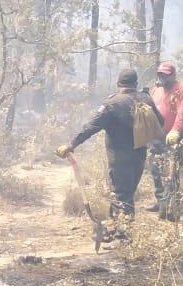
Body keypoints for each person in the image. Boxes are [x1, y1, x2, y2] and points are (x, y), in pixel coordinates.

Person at [56, 69, 163, 223]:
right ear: (136, 83)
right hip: (139, 157)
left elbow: (91, 127)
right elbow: (161, 122)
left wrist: (72, 144)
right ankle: (115, 228)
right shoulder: (146, 98)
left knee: (121, 196)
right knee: (127, 193)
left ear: (118, 83)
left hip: (120, 159)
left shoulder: (112, 103)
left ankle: (122, 235)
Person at [145, 60, 183, 215]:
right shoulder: (155, 90)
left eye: (165, 75)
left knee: (173, 171)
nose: (162, 78)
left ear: (173, 75)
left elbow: (181, 111)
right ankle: (160, 200)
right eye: (160, 74)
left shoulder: (181, 88)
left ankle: (170, 205)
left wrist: (176, 130)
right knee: (156, 170)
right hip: (155, 136)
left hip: (172, 137)